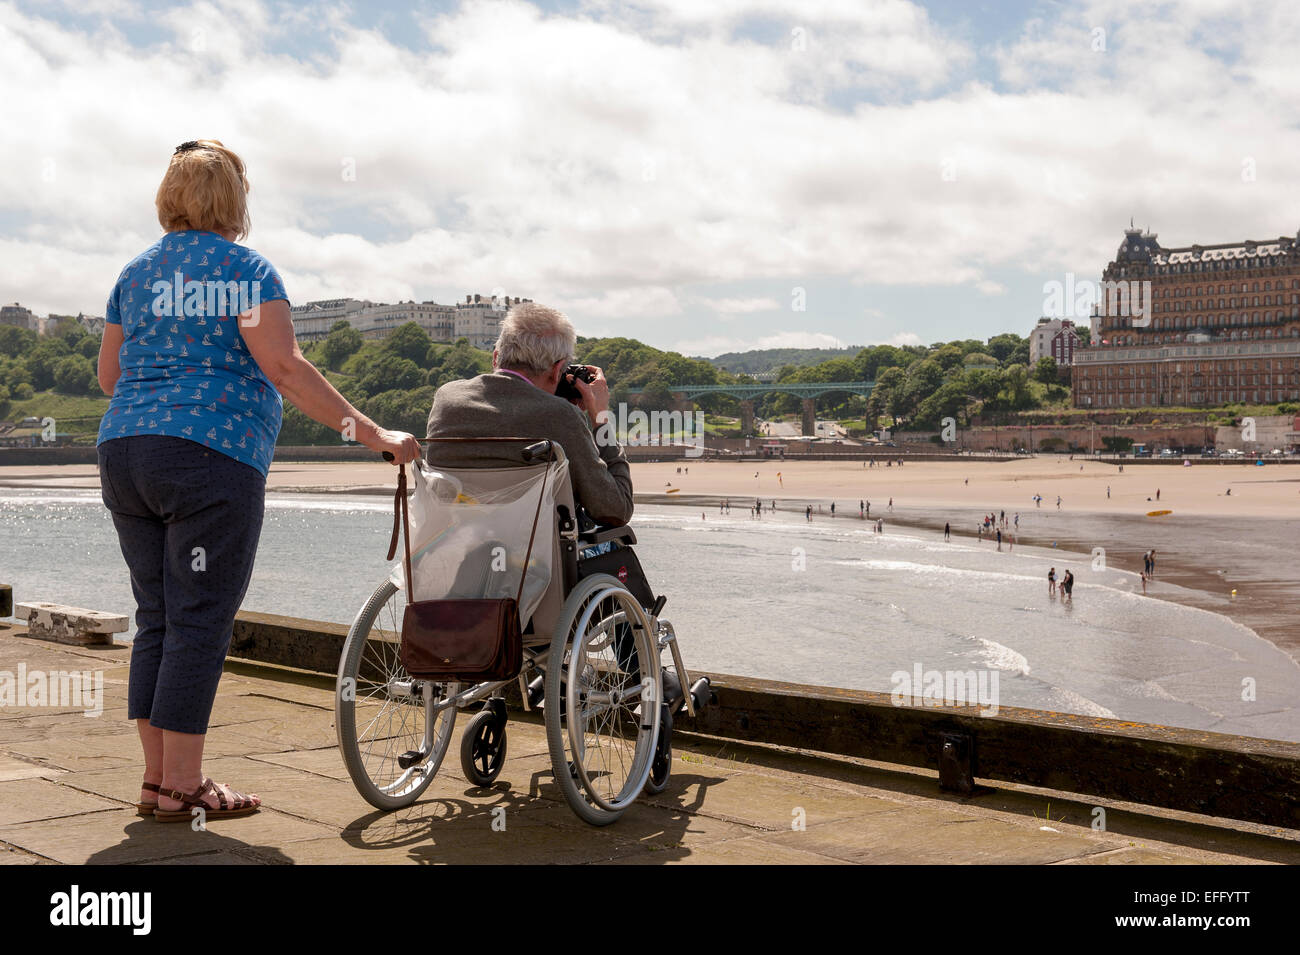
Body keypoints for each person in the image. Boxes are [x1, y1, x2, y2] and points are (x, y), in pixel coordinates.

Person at [97, 140, 421, 822]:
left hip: (125, 454)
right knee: (198, 620)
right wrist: (374, 434)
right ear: (233, 202)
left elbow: (108, 377)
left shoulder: (137, 273)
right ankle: (184, 788)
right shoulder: (243, 269)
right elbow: (285, 368)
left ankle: (160, 781)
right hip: (209, 458)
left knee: (156, 616)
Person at [425, 303, 632, 526]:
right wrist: (599, 416)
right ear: (557, 369)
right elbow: (616, 510)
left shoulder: (446, 399)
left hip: (454, 552)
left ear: (496, 358)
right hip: (536, 558)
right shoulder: (562, 416)